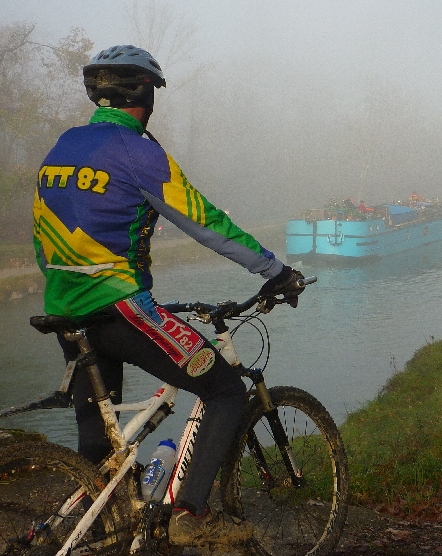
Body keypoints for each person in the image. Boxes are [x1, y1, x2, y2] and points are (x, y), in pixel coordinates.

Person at [33, 45, 302, 547]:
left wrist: (63, 285)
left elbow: (41, 235)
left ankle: (102, 532)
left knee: (100, 439)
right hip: (119, 307)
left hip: (63, 310)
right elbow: (204, 221)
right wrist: (275, 270)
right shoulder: (138, 150)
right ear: (145, 94)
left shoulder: (63, 147)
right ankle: (191, 517)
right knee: (224, 390)